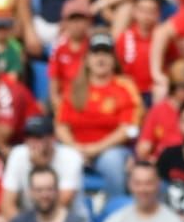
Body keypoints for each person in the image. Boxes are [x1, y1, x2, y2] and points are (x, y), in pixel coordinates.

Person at [54, 31, 141, 200]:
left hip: (111, 150)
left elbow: (127, 129)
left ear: (114, 59)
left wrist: (96, 148)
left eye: (106, 54)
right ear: (87, 59)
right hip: (76, 148)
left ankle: (115, 209)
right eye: (95, 53)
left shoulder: (125, 87)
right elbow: (61, 126)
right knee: (62, 158)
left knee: (112, 161)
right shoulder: (74, 87)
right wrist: (76, 148)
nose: (101, 59)